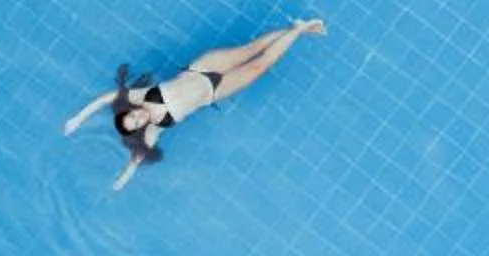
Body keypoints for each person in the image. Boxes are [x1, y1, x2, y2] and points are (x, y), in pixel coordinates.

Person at [61, 18, 326, 190]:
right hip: (214, 92)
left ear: (130, 110)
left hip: (202, 68)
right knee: (259, 66)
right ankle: (300, 30)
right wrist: (120, 181)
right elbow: (136, 160)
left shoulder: (140, 96)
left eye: (133, 116)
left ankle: (300, 28)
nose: (139, 117)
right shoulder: (154, 129)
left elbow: (107, 98)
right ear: (140, 128)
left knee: (250, 49)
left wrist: (77, 119)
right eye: (137, 123)